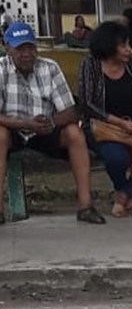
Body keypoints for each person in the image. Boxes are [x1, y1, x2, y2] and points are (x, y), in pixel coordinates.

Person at [0, 23, 105, 225]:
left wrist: (50, 122)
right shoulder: (1, 69)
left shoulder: (49, 67)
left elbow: (71, 110)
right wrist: (25, 123)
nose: (27, 54)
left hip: (46, 128)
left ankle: (85, 206)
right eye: (20, 49)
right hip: (13, 129)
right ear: (8, 48)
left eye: (31, 47)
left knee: (74, 133)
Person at [78, 21, 132, 218]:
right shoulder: (90, 65)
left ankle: (124, 193)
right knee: (116, 157)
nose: (129, 49)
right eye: (123, 45)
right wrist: (119, 123)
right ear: (109, 46)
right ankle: (125, 190)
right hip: (104, 128)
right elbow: (87, 104)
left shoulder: (131, 65)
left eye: (129, 44)